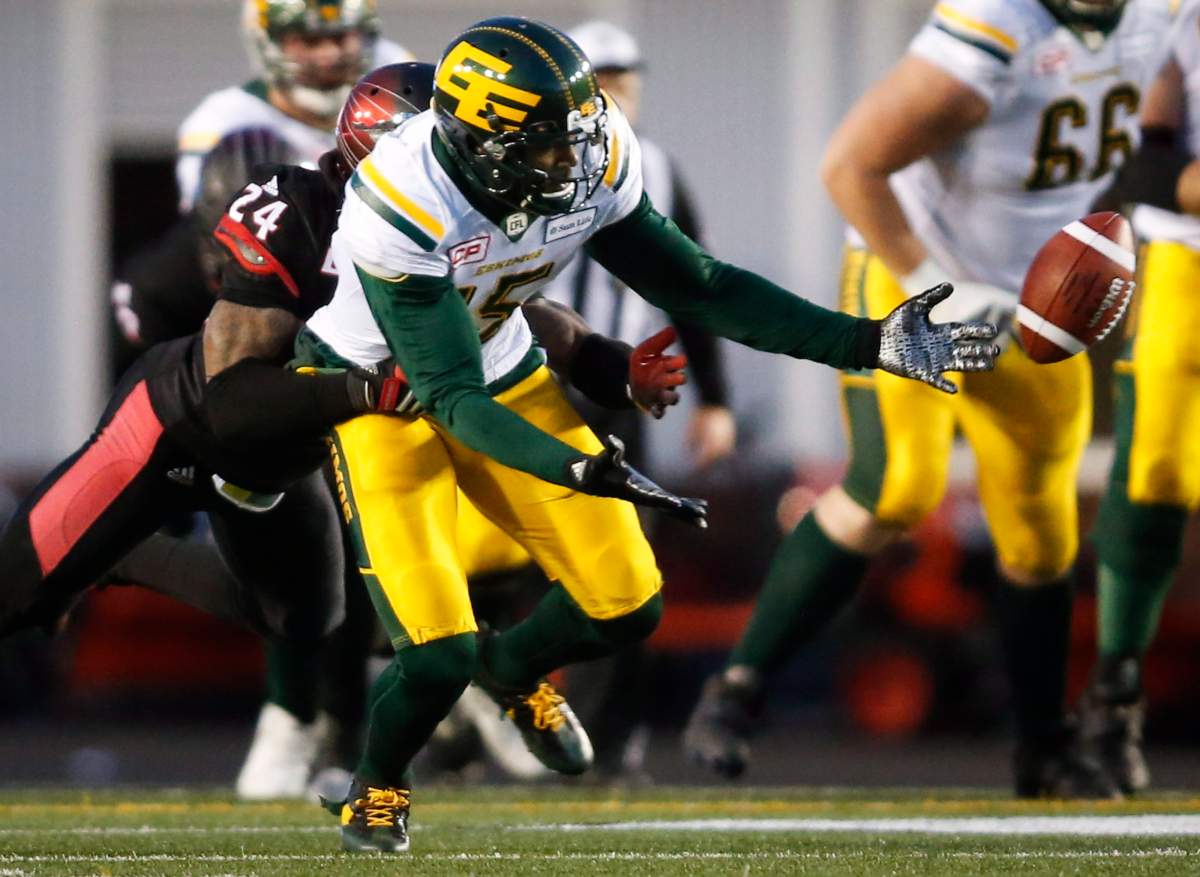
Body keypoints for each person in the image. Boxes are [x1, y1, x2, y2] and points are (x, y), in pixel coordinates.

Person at [301, 16, 997, 853]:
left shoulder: (594, 151)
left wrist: (870, 340)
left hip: (502, 361)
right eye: (548, 146)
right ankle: (376, 785)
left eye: (578, 134)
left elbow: (701, 287)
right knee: (437, 650)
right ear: (477, 141)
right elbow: (448, 398)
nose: (575, 160)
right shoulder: (401, 199)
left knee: (628, 601)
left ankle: (514, 666)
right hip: (386, 400)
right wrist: (580, 466)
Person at [0, 63, 685, 716]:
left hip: (281, 455)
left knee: (300, 617)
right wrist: (362, 393)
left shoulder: (441, 231)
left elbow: (532, 319)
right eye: (443, 154)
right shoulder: (300, 212)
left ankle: (127, 554)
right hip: (179, 424)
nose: (466, 174)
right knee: (18, 596)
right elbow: (230, 402)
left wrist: (616, 368)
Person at [683, 0, 1182, 799]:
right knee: (897, 485)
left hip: (1033, 303)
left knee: (1041, 532)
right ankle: (736, 689)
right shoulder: (1004, 25)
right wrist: (928, 288)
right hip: (915, 274)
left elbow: (1157, 137)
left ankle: (1043, 747)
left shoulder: (1159, 15)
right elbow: (849, 164)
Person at [1082, 3, 1200, 794]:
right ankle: (1115, 693)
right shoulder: (1172, 17)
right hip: (1185, 257)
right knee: (1155, 468)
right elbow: (1142, 159)